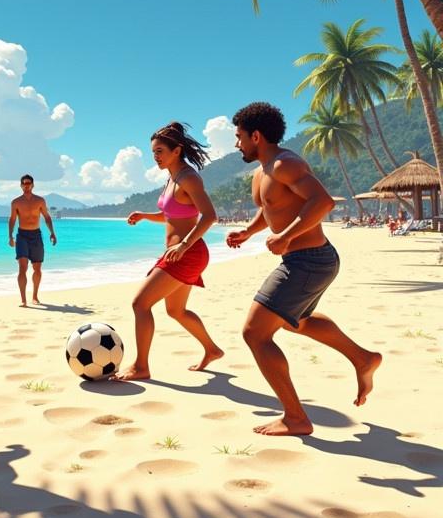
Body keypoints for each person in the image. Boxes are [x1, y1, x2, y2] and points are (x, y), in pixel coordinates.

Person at [227, 101, 382, 436]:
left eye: (239, 137)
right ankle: (362, 358)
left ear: (256, 136)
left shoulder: (286, 163)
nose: (236, 144)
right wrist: (249, 231)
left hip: (309, 260)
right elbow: (272, 207)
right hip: (308, 260)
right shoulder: (262, 172)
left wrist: (284, 236)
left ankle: (296, 418)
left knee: (255, 333)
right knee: (299, 322)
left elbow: (322, 202)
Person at [113, 122, 223, 380]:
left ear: (177, 150)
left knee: (140, 304)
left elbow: (210, 216)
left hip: (188, 252)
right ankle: (212, 349)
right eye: (153, 152)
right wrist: (144, 216)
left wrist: (184, 245)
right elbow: (171, 214)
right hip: (179, 252)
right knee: (176, 311)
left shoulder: (189, 177)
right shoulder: (172, 178)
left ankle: (141, 367)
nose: (156, 157)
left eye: (160, 151)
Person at [8, 175, 57, 306]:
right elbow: (12, 219)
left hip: (36, 236)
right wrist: (10, 236)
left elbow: (47, 217)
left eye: (29, 183)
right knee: (22, 268)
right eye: (24, 184)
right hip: (22, 236)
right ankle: (23, 299)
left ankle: (35, 296)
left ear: (33, 185)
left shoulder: (40, 201)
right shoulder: (16, 202)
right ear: (21, 186)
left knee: (37, 268)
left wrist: (52, 233)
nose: (26, 185)